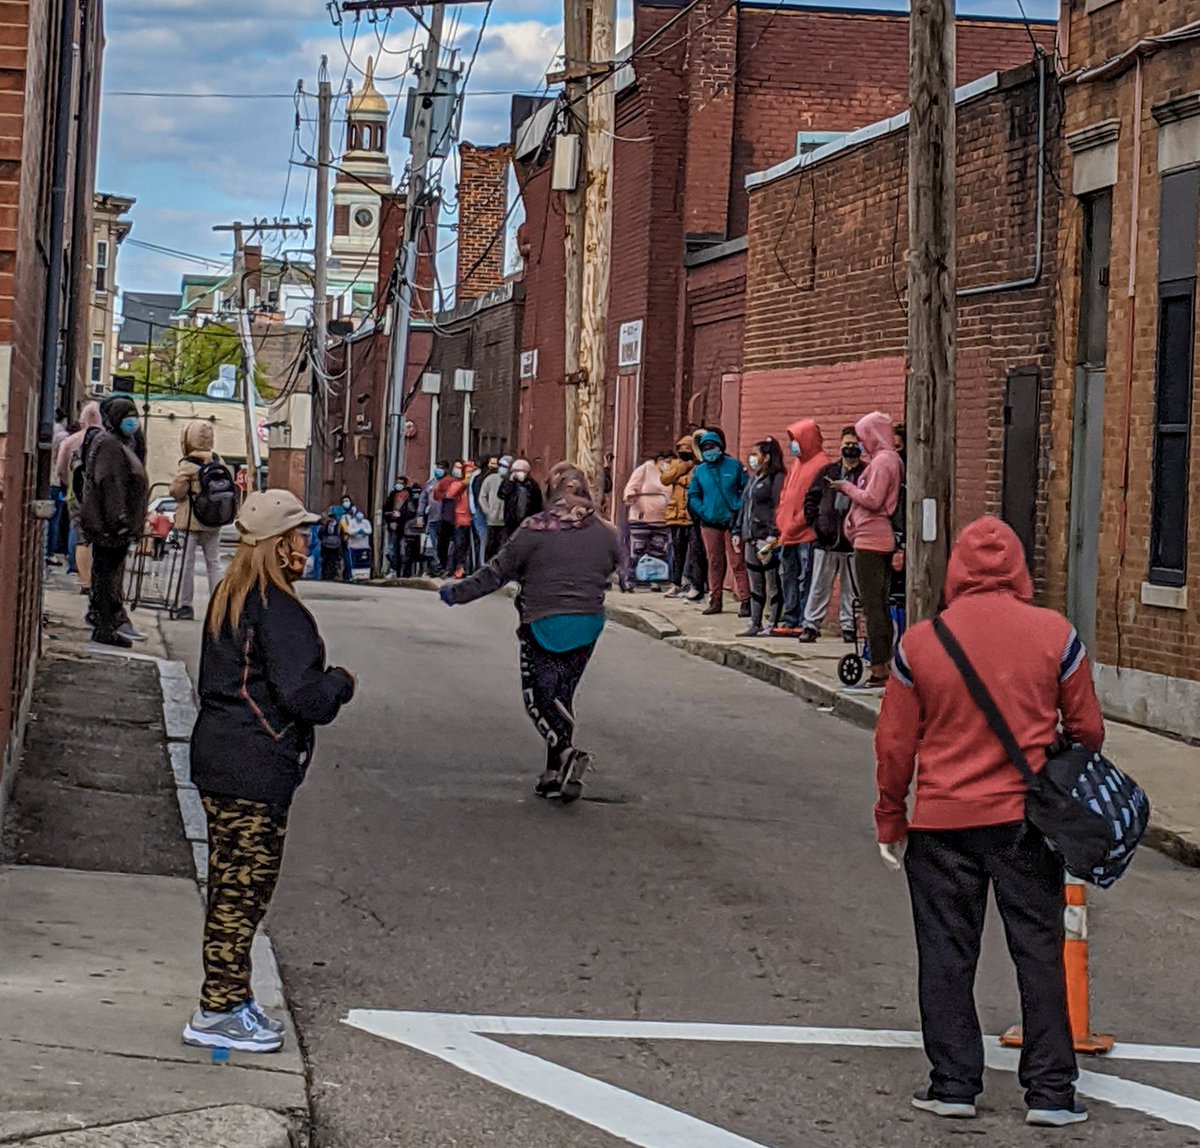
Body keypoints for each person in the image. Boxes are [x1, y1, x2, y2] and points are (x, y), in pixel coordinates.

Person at [875, 516, 1105, 1129]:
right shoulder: (1056, 634)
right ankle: (1051, 1092)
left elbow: (894, 744)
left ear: (956, 569)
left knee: (946, 954)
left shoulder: (921, 643)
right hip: (1024, 821)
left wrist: (891, 816)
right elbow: (1088, 731)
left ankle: (953, 1084)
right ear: (1020, 569)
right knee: (1039, 951)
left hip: (941, 821)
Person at [183, 489, 354, 1053]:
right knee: (243, 892)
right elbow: (305, 697)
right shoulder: (278, 610)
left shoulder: (230, 596)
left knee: (231, 884)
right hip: (255, 764)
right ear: (279, 545)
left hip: (219, 756)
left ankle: (232, 997)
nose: (306, 543)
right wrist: (341, 682)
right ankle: (218, 1009)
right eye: (299, 534)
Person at [439, 465, 622, 803]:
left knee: (539, 698)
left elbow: (497, 572)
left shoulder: (535, 528)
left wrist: (457, 593)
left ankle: (565, 752)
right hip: (588, 623)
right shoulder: (606, 532)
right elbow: (619, 565)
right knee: (561, 696)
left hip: (543, 621)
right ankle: (553, 775)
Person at [831, 411, 903, 690]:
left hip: (872, 541)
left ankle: (879, 666)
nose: (861, 443)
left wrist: (846, 488)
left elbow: (873, 499)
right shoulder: (885, 461)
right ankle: (881, 662)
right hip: (868, 537)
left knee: (873, 606)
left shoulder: (884, 462)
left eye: (863, 437)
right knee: (875, 604)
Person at [79, 396, 149, 648]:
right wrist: (120, 520)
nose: (133, 421)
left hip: (115, 524)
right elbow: (110, 484)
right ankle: (107, 623)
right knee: (108, 576)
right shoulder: (109, 444)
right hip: (110, 526)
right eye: (126, 416)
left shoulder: (123, 443)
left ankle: (107, 621)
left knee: (110, 574)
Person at [799, 426, 864, 644]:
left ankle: (848, 625)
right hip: (825, 539)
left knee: (851, 588)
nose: (850, 448)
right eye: (847, 444)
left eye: (854, 444)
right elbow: (811, 498)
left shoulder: (866, 473)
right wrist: (816, 524)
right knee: (819, 585)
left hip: (852, 541)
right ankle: (811, 625)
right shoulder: (828, 472)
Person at [773, 419, 829, 636]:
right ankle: (790, 617)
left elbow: (812, 504)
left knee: (806, 578)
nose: (793, 444)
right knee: (788, 576)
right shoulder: (797, 464)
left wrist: (793, 525)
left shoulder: (821, 465)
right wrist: (781, 521)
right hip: (788, 533)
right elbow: (785, 494)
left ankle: (805, 619)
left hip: (807, 534)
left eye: (796, 439)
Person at [686, 429, 748, 616]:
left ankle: (745, 599)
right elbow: (693, 495)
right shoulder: (700, 471)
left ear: (720, 447)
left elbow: (745, 489)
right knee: (714, 562)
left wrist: (737, 507)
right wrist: (703, 511)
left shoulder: (734, 466)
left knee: (737, 561)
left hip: (732, 523)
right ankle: (715, 599)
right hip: (710, 523)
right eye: (705, 448)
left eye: (712, 446)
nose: (709, 451)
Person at [170, 420, 226, 621]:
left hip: (190, 522)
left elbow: (176, 492)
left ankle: (185, 605)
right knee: (214, 564)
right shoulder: (218, 462)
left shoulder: (188, 465)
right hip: (213, 522)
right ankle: (219, 606)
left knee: (187, 564)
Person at [734, 438, 785, 637]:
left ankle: (772, 621)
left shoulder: (776, 479)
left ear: (767, 457)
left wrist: (773, 534)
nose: (752, 458)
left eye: (756, 454)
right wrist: (737, 530)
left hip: (766, 538)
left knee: (772, 582)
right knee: (755, 582)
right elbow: (745, 506)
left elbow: (778, 507)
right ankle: (755, 622)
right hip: (750, 536)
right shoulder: (754, 478)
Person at [58, 401, 103, 594]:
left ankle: (83, 579)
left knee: (79, 534)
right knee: (99, 538)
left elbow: (60, 469)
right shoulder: (107, 441)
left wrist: (69, 484)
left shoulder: (70, 441)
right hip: (100, 496)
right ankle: (97, 578)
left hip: (76, 493)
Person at [658, 435, 704, 600]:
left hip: (692, 515)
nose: (684, 453)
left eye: (687, 450)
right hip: (676, 514)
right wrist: (683, 468)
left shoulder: (699, 466)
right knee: (677, 552)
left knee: (695, 552)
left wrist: (679, 479)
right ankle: (676, 583)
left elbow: (693, 482)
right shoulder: (677, 464)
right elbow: (665, 478)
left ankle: (695, 584)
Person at [501, 458, 544, 541]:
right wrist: (510, 482)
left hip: (528, 519)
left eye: (523, 471)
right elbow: (502, 494)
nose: (520, 473)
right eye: (517, 471)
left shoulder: (532, 485)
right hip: (511, 521)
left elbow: (538, 503)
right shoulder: (509, 483)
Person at [479, 455, 510, 561]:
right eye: (501, 465)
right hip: (492, 520)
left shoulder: (511, 481)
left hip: (506, 520)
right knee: (491, 546)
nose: (502, 468)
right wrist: (488, 511)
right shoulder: (490, 479)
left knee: (504, 546)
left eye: (505, 466)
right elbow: (482, 496)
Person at [418, 464, 447, 575]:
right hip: (431, 518)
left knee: (443, 544)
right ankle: (435, 566)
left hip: (444, 519)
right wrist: (420, 515)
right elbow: (422, 500)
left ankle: (442, 566)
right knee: (432, 544)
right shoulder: (429, 484)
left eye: (441, 468)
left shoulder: (448, 483)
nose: (439, 470)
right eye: (438, 468)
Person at [318, 514, 344, 580]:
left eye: (331, 517)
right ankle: (326, 575)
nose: (330, 519)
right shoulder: (325, 525)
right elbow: (320, 535)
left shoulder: (338, 526)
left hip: (334, 547)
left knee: (333, 561)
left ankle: (332, 575)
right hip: (327, 546)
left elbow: (342, 535)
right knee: (326, 561)